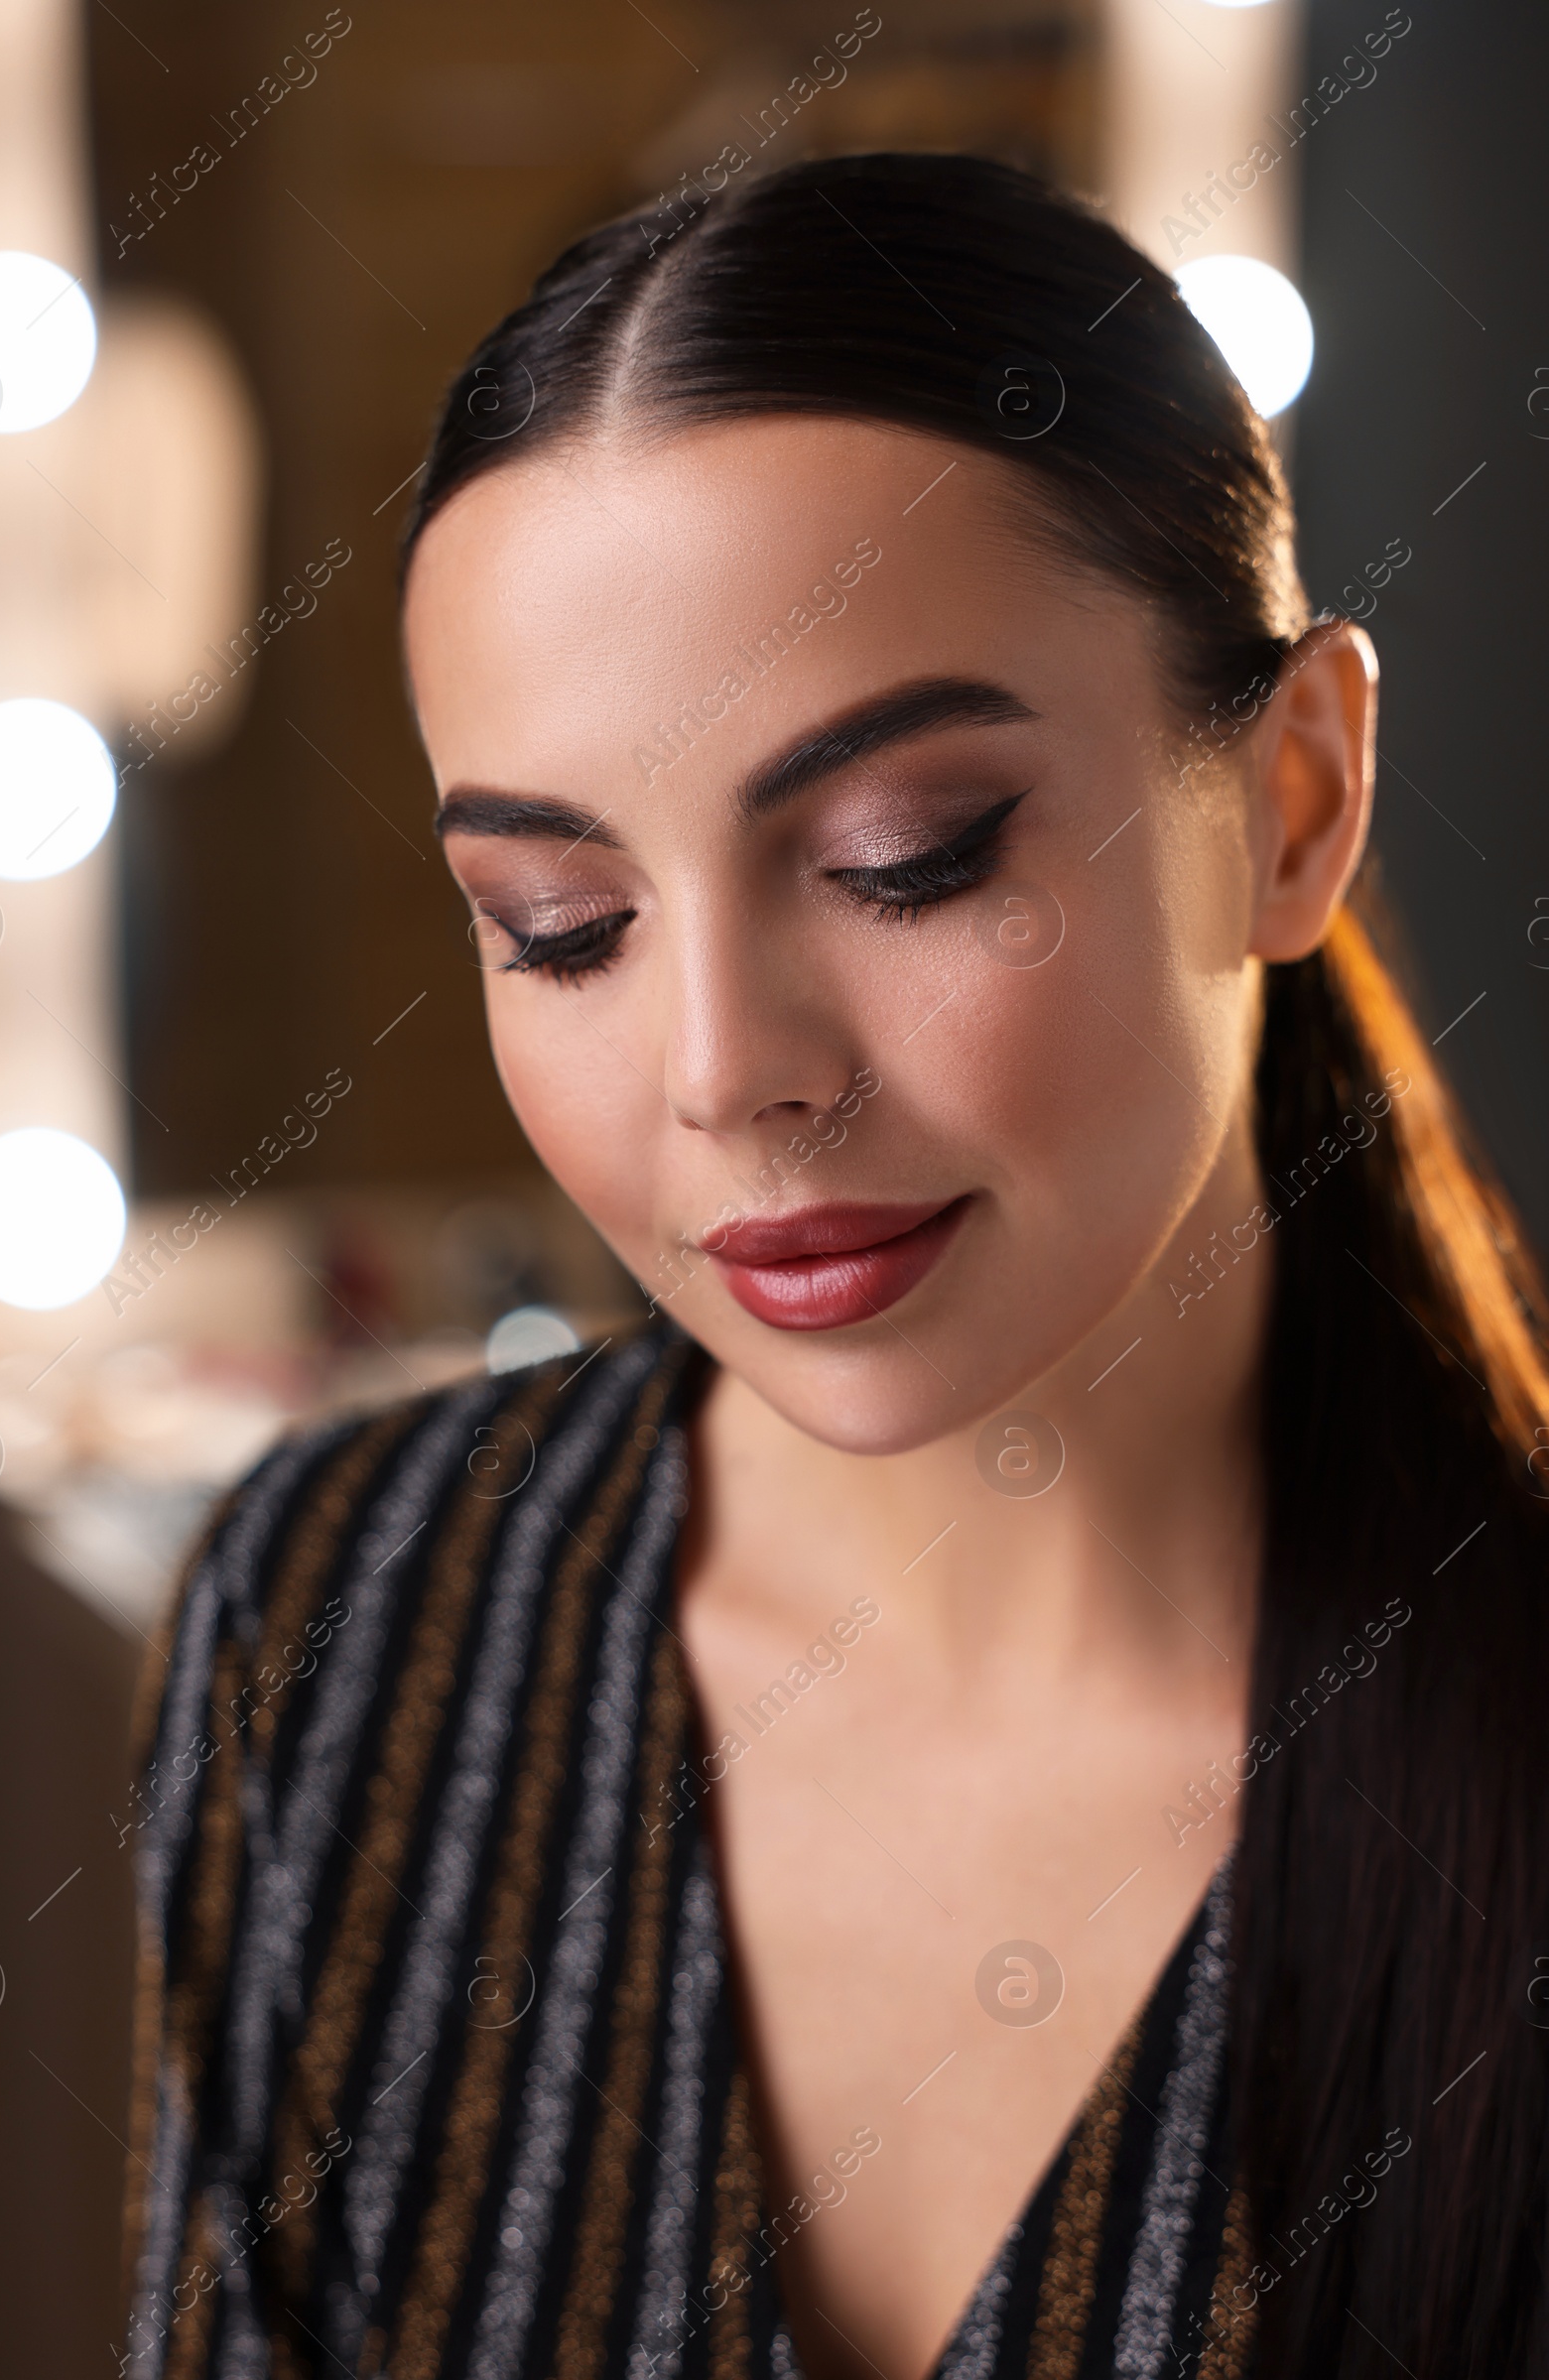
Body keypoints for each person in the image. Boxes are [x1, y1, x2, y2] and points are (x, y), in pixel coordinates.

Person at [123, 153, 1549, 2380]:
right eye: (559, 929)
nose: (722, 1076)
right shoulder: (345, 1625)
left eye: (903, 860)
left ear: (1292, 800)